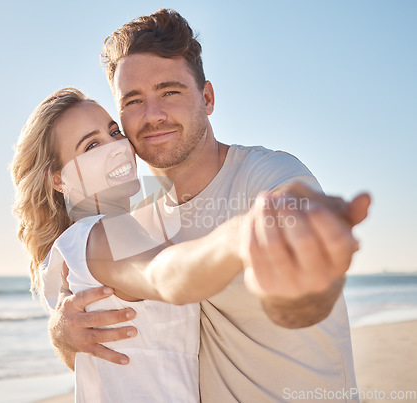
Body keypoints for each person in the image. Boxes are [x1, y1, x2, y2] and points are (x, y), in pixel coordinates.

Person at [47, 9, 370, 403]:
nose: (153, 115)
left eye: (170, 92)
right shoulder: (139, 221)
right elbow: (116, 337)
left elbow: (303, 293)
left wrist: (302, 266)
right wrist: (63, 332)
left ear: (208, 97)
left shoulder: (265, 177)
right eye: (133, 101)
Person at [11, 87, 261, 402]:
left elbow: (90, 364)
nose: (116, 147)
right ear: (59, 179)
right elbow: (165, 275)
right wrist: (246, 232)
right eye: (91, 145)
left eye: (114, 132)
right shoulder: (103, 231)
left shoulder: (80, 243)